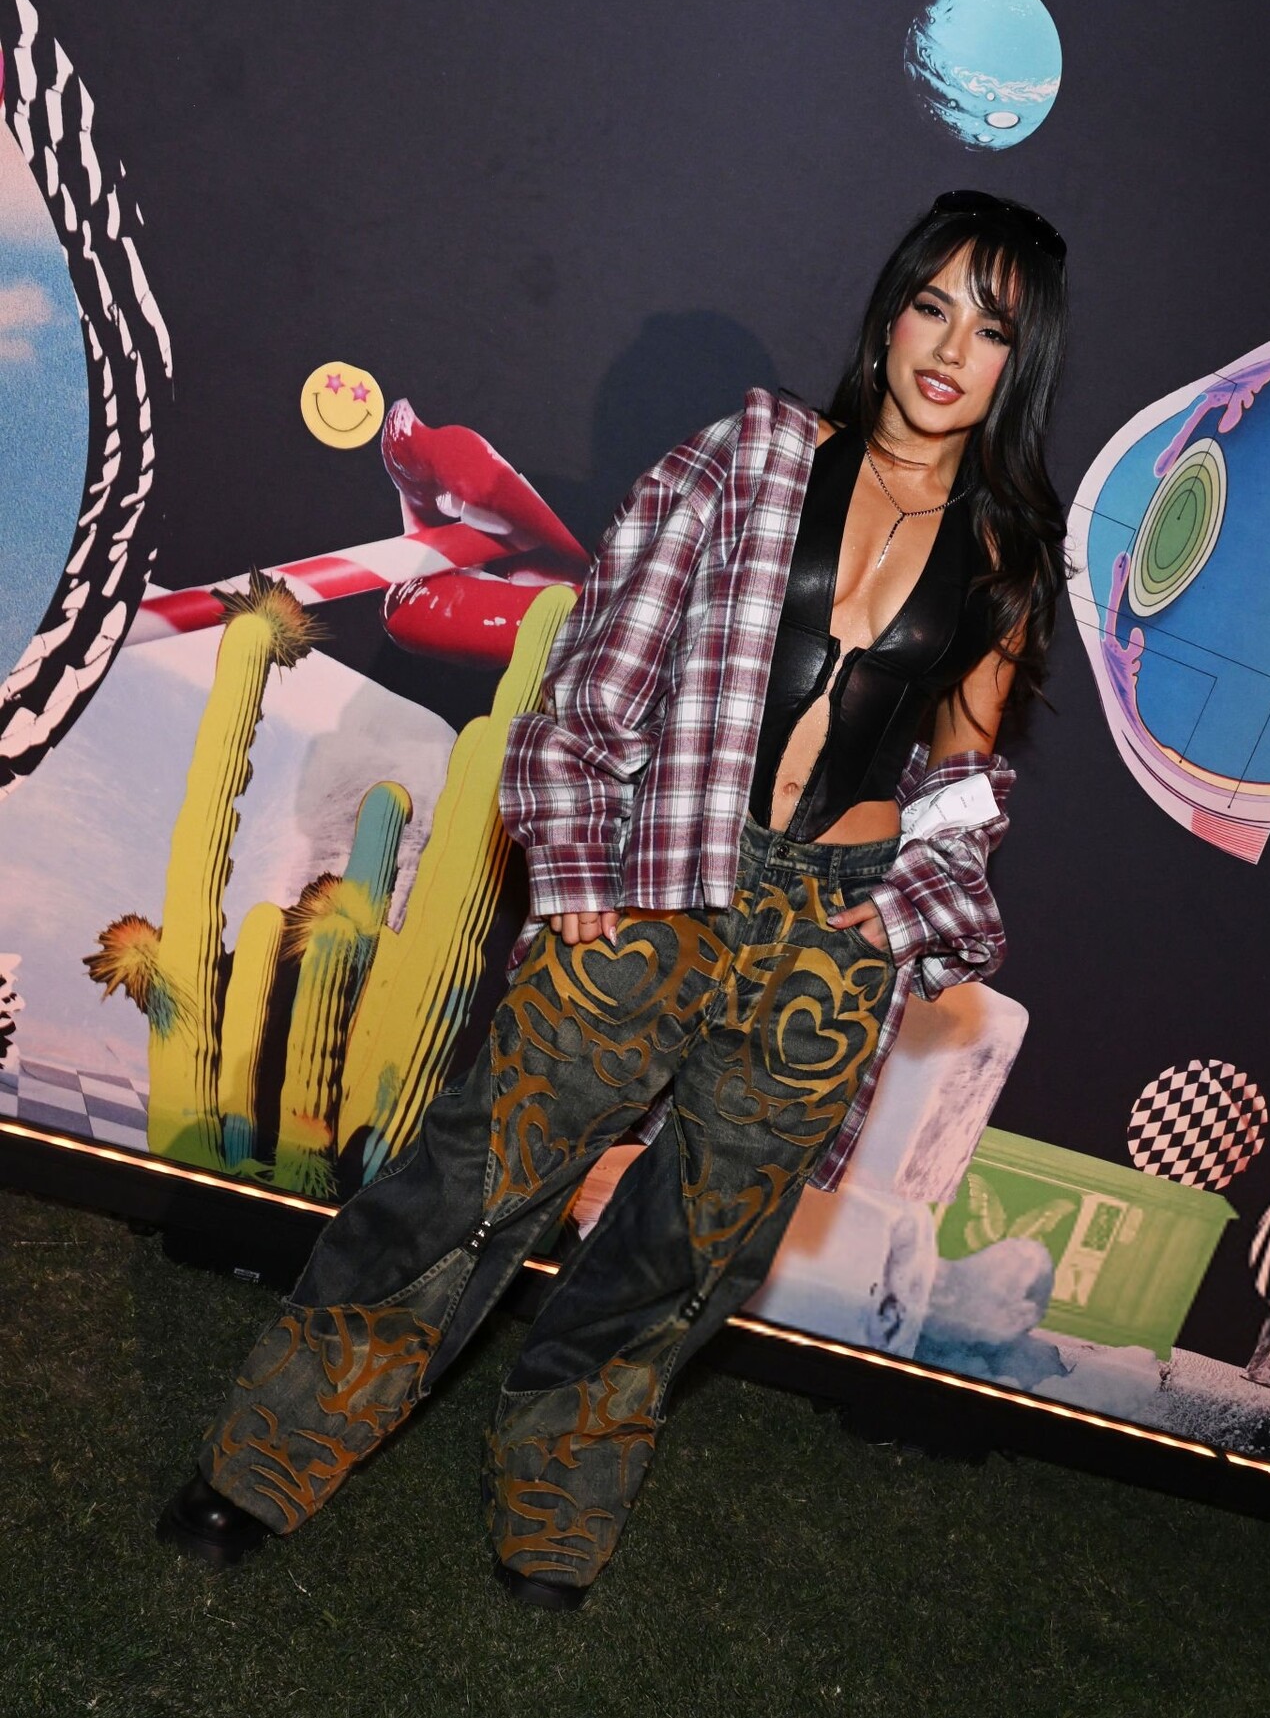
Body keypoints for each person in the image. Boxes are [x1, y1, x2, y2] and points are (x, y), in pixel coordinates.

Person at [158, 190, 1069, 1608]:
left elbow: (965, 780)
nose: (951, 349)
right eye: (932, 305)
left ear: (1024, 360)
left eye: (993, 329)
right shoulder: (747, 461)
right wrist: (584, 868)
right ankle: (260, 1467)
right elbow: (597, 673)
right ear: (890, 313)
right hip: (668, 878)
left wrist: (899, 915)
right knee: (465, 1188)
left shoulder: (1004, 553)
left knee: (684, 1260)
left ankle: (553, 1519)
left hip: (828, 944)